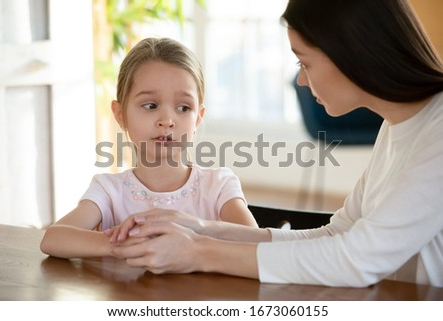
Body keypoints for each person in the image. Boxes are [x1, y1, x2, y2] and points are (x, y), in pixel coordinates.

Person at [107, 0, 443, 288]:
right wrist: (204, 230)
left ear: (351, 53)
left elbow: (356, 258)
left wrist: (198, 251)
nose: (300, 78)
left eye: (304, 61)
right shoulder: (397, 125)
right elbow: (337, 233)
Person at [40, 37, 258, 259]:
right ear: (120, 115)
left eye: (183, 107)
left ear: (198, 119)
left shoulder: (218, 186)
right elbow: (53, 239)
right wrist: (121, 245)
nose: (167, 120)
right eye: (151, 106)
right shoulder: (109, 191)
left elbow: (256, 243)